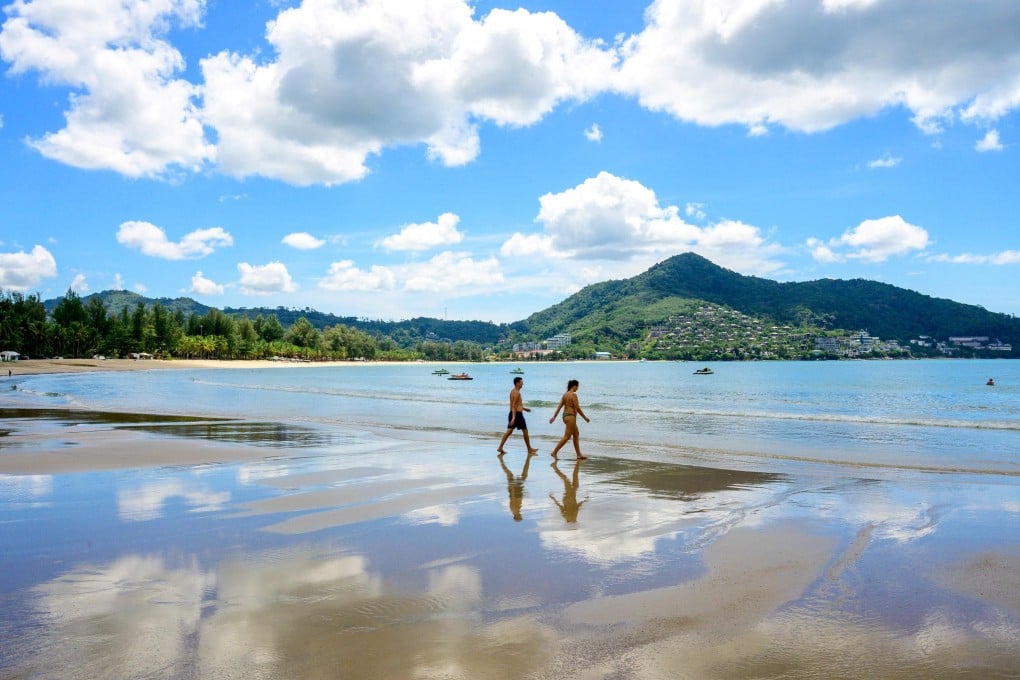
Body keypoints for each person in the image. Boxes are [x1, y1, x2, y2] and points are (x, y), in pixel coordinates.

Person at [548, 379, 590, 460]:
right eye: (577, 386)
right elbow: (577, 408)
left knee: (576, 434)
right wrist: (585, 418)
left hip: (565, 416)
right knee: (567, 436)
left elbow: (559, 406)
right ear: (574, 386)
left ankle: (579, 455)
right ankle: (554, 452)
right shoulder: (573, 395)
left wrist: (554, 417)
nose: (577, 388)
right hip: (571, 417)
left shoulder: (565, 395)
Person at [497, 377, 538, 456]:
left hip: (514, 414)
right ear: (517, 383)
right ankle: (529, 448)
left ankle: (500, 447)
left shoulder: (514, 391)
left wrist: (524, 409)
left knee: (509, 431)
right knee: (525, 431)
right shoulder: (516, 393)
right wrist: (514, 417)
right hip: (517, 415)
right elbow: (513, 405)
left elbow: (516, 404)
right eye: (521, 382)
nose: (523, 384)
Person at [550, 458, 587, 523]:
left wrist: (584, 501)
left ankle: (554, 467)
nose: (575, 520)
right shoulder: (567, 516)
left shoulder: (569, 515)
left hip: (569, 496)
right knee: (569, 479)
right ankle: (577, 464)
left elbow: (577, 506)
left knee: (566, 479)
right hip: (570, 496)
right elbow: (560, 506)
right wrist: (584, 500)